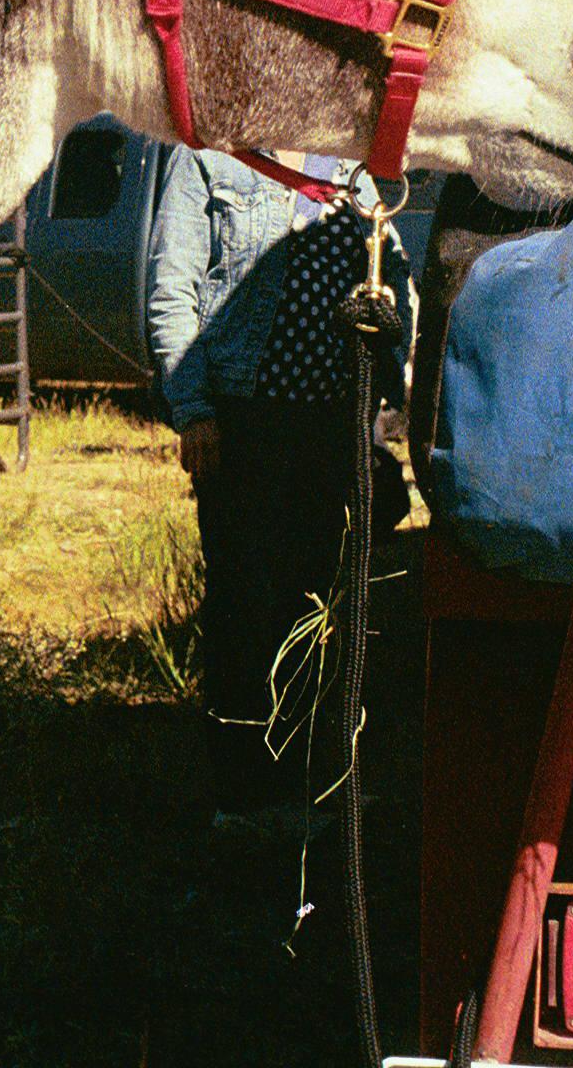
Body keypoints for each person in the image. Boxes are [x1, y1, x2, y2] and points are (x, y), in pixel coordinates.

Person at [147, 147, 407, 815]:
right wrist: (194, 410)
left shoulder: (354, 172)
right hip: (242, 420)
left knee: (320, 603)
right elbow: (172, 286)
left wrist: (391, 390)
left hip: (331, 427)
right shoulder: (209, 158)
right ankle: (239, 792)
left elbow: (393, 278)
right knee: (243, 606)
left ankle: (308, 785)